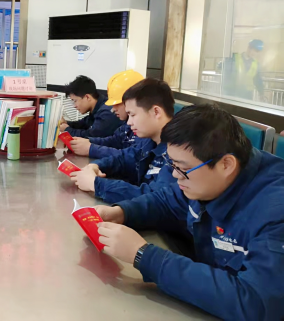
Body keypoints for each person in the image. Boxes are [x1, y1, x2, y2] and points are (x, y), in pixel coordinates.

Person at [94, 104, 284, 320]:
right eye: (172, 164)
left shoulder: (275, 210)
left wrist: (144, 256)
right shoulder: (206, 178)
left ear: (226, 165)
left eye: (183, 168)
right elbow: (167, 201)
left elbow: (256, 303)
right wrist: (123, 212)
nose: (175, 175)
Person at [71, 78, 176, 204]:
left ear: (156, 112)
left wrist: (96, 184)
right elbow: (124, 159)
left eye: (133, 115)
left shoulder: (177, 152)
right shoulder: (149, 141)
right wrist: (96, 166)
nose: (129, 122)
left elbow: (156, 200)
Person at [68, 70, 145, 158]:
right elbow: (114, 141)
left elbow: (131, 157)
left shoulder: (145, 132)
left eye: (117, 104)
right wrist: (88, 141)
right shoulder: (126, 125)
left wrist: (91, 149)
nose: (113, 109)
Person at [59, 75, 123, 139]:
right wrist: (67, 123)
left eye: (75, 101)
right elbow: (83, 124)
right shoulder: (97, 107)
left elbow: (92, 136)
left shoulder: (106, 112)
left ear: (87, 97)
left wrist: (67, 130)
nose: (74, 106)